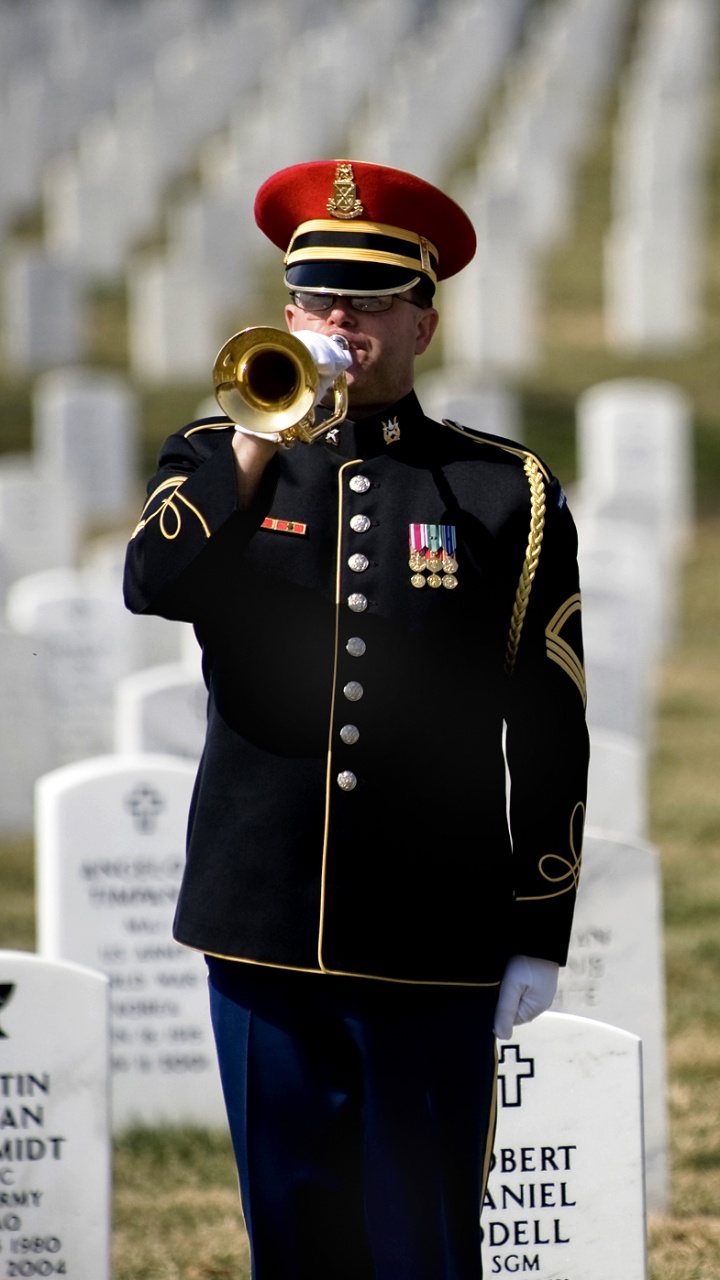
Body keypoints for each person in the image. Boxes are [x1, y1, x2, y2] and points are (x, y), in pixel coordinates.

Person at [123, 159, 590, 1280]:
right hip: (259, 921)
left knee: (423, 1240)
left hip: (430, 935)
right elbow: (155, 579)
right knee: (292, 1235)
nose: (344, 322)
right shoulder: (217, 462)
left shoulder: (498, 490)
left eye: (373, 300)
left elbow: (550, 712)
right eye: (321, 299)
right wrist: (253, 434)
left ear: (423, 319)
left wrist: (539, 920)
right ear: (287, 312)